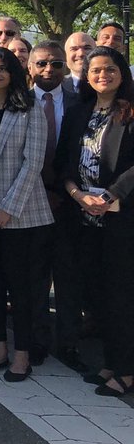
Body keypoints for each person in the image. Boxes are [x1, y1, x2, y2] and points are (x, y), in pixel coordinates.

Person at [0, 47, 53, 382]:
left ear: (13, 71)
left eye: (1, 68)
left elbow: (33, 164)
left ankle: (22, 354)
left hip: (22, 216)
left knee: (21, 288)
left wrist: (8, 209)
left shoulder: (28, 108)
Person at [58, 46, 134, 396]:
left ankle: (126, 371)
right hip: (84, 217)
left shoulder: (130, 112)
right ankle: (110, 363)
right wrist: (77, 196)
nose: (103, 75)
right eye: (96, 70)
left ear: (121, 73)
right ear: (86, 76)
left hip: (121, 217)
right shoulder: (78, 113)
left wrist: (110, 195)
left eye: (110, 69)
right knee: (99, 296)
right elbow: (64, 165)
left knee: (122, 296)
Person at [28, 41, 85, 371]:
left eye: (56, 64)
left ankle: (69, 344)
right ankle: (37, 340)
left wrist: (65, 191)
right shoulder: (18, 104)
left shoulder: (79, 105)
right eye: (42, 64)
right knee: (34, 276)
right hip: (29, 200)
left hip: (68, 201)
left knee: (67, 277)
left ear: (65, 69)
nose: (49, 70)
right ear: (31, 68)